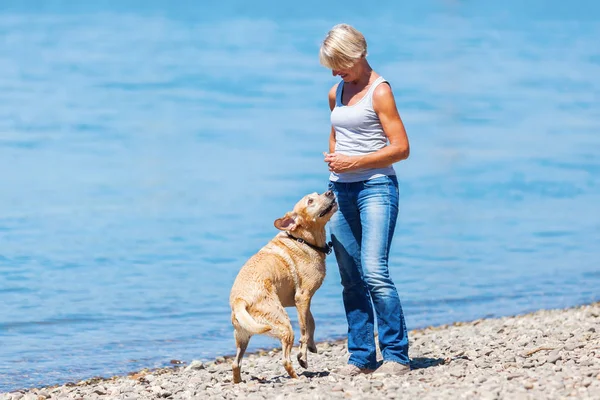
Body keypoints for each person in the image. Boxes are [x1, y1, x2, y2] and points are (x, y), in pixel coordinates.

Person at [319, 23, 411, 377]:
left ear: (358, 54)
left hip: (376, 188)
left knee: (374, 272)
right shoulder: (336, 91)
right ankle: (360, 357)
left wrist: (355, 162)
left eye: (339, 61)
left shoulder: (380, 91)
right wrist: (334, 161)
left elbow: (401, 149)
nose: (334, 70)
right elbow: (336, 135)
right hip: (339, 190)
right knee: (350, 277)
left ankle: (396, 355)